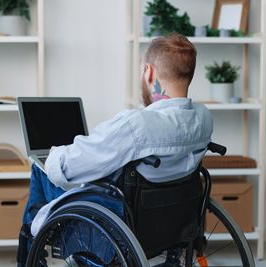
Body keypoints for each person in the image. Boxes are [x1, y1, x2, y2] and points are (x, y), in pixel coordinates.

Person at [17, 32, 213, 265]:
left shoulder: (136, 126)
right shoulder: (204, 119)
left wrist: (56, 154)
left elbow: (68, 166)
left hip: (121, 218)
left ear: (148, 71)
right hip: (170, 222)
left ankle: (30, 248)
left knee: (42, 169)